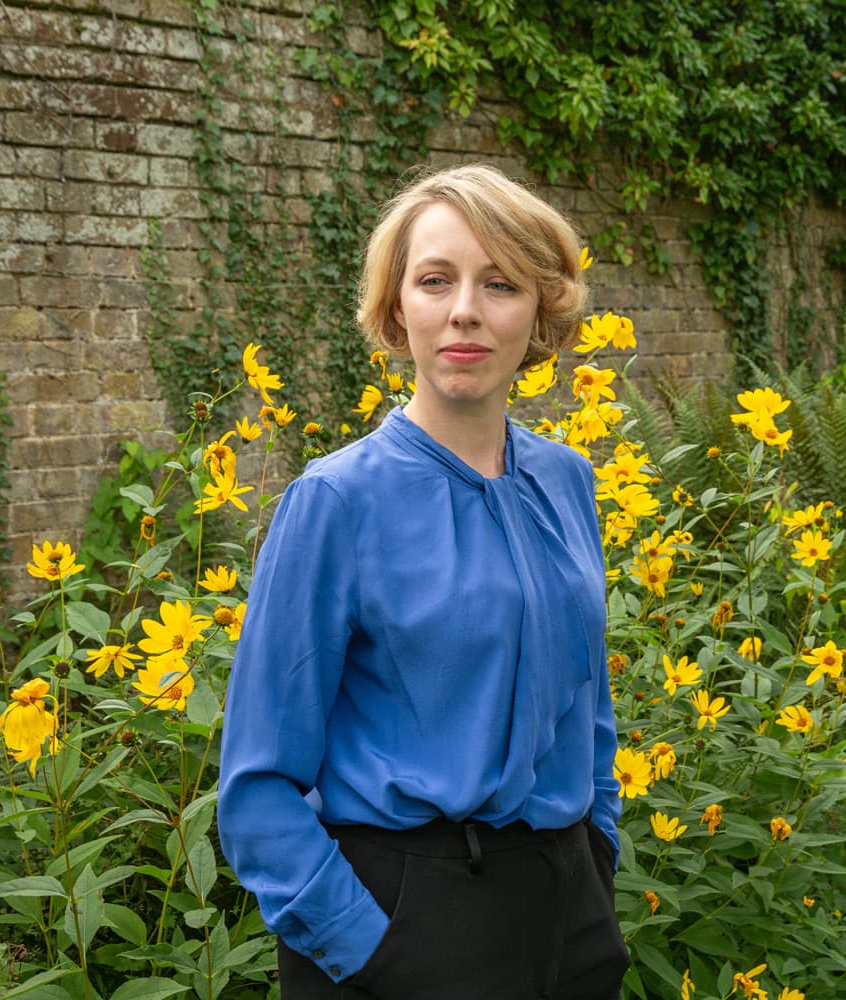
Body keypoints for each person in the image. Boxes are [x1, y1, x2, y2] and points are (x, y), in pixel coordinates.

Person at [216, 164, 628, 999]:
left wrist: (597, 857)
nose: (466, 309)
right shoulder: (335, 503)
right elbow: (258, 784)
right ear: (398, 308)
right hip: (403, 922)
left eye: (501, 282)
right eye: (436, 280)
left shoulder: (568, 481)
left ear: (541, 309)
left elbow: (588, 709)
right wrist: (372, 949)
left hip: (567, 910)